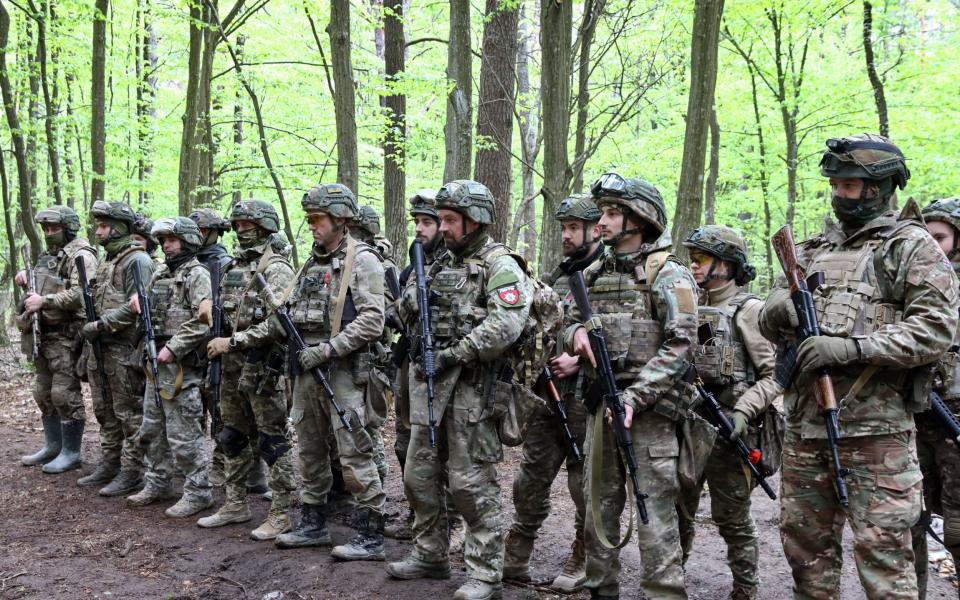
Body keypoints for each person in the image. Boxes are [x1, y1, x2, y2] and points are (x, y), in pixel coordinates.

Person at [759, 133, 958, 599]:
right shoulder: (810, 249)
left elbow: (935, 331)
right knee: (806, 557)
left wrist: (852, 349)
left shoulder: (911, 248)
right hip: (806, 429)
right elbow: (766, 314)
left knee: (885, 559)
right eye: (835, 184)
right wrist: (782, 310)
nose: (839, 193)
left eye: (850, 184)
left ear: (880, 187)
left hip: (878, 436)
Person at [208, 183, 388, 561]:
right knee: (308, 449)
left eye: (317, 219)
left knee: (354, 451)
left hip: (343, 372)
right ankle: (312, 524)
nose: (311, 226)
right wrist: (240, 340)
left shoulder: (363, 260)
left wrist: (327, 350)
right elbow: (282, 317)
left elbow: (373, 320)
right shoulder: (311, 262)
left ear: (340, 218)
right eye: (308, 220)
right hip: (305, 371)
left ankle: (370, 533)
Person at [386, 179, 532, 600]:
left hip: (474, 389)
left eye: (451, 220)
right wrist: (411, 298)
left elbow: (507, 324)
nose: (443, 227)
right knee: (419, 476)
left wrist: (455, 353)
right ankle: (430, 553)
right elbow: (407, 308)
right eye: (442, 219)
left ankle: (485, 572)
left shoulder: (499, 264)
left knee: (470, 484)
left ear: (475, 220)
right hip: (429, 387)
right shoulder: (437, 263)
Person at [566, 173, 698, 599]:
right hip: (601, 408)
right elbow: (566, 322)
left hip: (650, 416)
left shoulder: (668, 273)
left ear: (638, 220)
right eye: (601, 213)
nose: (600, 222)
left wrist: (636, 397)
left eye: (610, 214)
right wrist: (574, 337)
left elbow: (682, 343)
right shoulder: (594, 272)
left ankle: (662, 593)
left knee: (653, 513)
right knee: (597, 509)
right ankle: (601, 589)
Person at [502, 194, 601, 591]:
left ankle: (584, 555)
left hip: (587, 398)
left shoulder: (605, 276)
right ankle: (517, 552)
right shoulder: (558, 276)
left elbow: (618, 338)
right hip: (548, 396)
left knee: (584, 485)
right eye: (563, 228)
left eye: (574, 228)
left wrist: (579, 362)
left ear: (595, 230)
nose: (566, 235)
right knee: (530, 478)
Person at [677, 225, 780, 600]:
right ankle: (672, 582)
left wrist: (744, 410)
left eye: (702, 258)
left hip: (733, 432)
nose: (695, 264)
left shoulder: (750, 311)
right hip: (695, 425)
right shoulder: (703, 309)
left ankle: (745, 589)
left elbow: (774, 376)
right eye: (694, 257)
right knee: (680, 508)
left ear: (727, 264)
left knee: (732, 518)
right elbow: (707, 362)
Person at [197, 199, 297, 541]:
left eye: (246, 224)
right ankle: (235, 503)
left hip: (261, 366)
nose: (240, 230)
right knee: (232, 436)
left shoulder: (276, 267)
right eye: (236, 225)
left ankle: (282, 512)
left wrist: (235, 340)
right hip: (230, 367)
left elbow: (279, 325)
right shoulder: (232, 266)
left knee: (272, 440)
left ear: (265, 226)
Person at [123, 217, 214, 517]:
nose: (167, 245)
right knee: (153, 427)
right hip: (154, 363)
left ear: (188, 240)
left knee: (184, 432)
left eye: (173, 239)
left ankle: (198, 491)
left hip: (182, 366)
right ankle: (158, 481)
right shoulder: (160, 272)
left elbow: (202, 320)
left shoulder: (197, 274)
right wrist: (138, 301)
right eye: (163, 240)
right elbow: (148, 307)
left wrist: (173, 348)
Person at [78, 201, 155, 497]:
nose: (98, 231)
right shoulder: (109, 260)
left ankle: (133, 471)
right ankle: (110, 463)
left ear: (120, 228)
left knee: (128, 413)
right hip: (101, 350)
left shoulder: (138, 261)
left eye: (103, 226)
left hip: (123, 349)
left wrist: (101, 325)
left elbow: (138, 306)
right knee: (104, 410)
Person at [16, 206, 98, 473]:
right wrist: (27, 283)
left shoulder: (82, 255)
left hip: (66, 335)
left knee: (63, 394)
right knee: (43, 392)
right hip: (42, 335)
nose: (49, 233)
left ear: (69, 228)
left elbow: (80, 294)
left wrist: (45, 300)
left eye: (55, 229)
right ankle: (53, 446)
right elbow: (41, 286)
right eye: (46, 229)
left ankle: (71, 452)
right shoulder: (47, 255)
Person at [911, 197, 960, 598]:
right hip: (914, 417)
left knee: (958, 527)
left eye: (939, 237)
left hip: (954, 422)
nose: (930, 243)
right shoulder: (910, 285)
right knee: (910, 520)